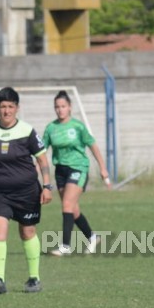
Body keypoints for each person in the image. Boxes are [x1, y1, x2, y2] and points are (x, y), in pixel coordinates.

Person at [0, 87, 52, 294]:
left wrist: (47, 186)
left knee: (28, 232)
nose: (6, 111)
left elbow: (42, 159)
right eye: (2, 106)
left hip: (27, 192)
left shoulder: (27, 130)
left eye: (10, 106)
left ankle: (34, 278)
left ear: (17, 108)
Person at [43, 90, 112, 256]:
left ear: (70, 107)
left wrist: (102, 167)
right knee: (72, 209)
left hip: (78, 168)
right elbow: (41, 151)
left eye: (63, 106)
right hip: (60, 171)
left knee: (67, 204)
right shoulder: (50, 128)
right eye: (57, 107)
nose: (60, 110)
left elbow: (93, 145)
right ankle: (92, 237)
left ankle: (65, 246)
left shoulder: (78, 126)